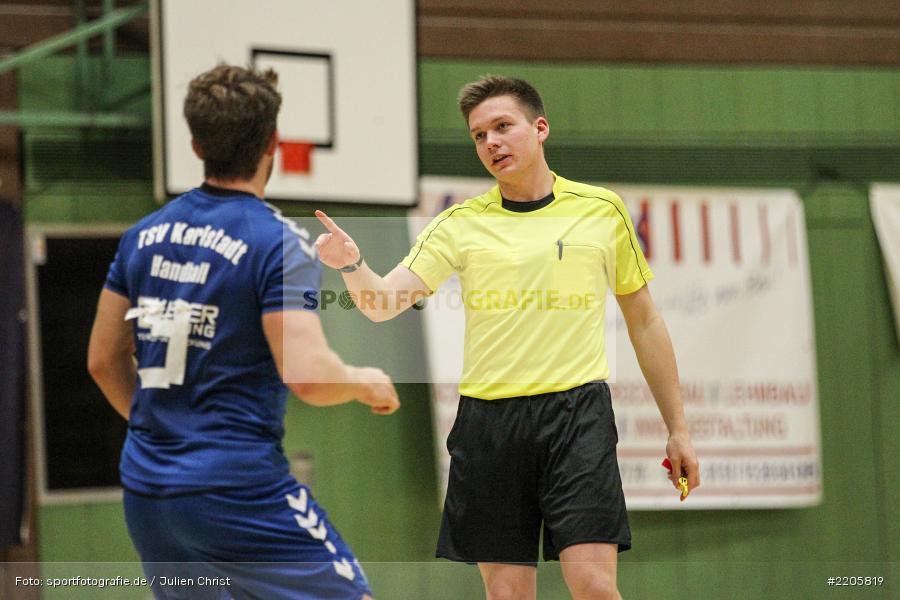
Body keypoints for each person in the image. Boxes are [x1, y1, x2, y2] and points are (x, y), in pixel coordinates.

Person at [315, 75, 700, 600]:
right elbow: (382, 303)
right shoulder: (458, 223)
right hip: (489, 423)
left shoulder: (600, 210)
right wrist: (352, 264)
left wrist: (678, 428)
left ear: (539, 128)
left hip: (577, 416)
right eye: (478, 136)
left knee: (593, 585)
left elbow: (645, 321)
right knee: (508, 595)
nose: (491, 142)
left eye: (502, 126)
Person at [87, 64, 398, 600]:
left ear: (195, 143)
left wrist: (162, 435)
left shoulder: (142, 235)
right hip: (238, 490)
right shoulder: (278, 242)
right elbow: (307, 377)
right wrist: (366, 381)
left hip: (149, 490)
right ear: (273, 142)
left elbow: (102, 359)